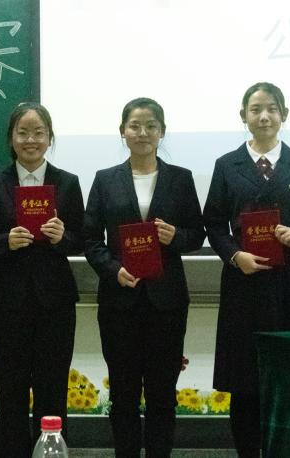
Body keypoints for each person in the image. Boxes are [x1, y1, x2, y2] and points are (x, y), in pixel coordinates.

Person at [204, 82, 290, 458]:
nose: (264, 116)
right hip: (243, 284)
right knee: (245, 382)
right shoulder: (226, 165)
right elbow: (213, 223)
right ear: (243, 116)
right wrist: (235, 255)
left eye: (272, 109)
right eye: (256, 109)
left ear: (284, 115)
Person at [83, 97, 205, 458]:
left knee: (162, 394)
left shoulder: (180, 179)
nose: (143, 133)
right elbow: (91, 239)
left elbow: (197, 235)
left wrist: (175, 236)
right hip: (119, 301)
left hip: (166, 303)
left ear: (162, 132)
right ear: (122, 131)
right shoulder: (105, 179)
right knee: (122, 393)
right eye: (135, 126)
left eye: (151, 126)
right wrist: (113, 270)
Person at [0, 102, 85, 458]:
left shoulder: (68, 183)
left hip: (55, 304)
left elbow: (84, 239)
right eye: (23, 133)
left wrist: (63, 237)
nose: (31, 140)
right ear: (11, 138)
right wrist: (5, 241)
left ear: (50, 138)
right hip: (6, 304)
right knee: (11, 392)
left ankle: (52, 453)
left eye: (38, 133)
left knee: (53, 391)